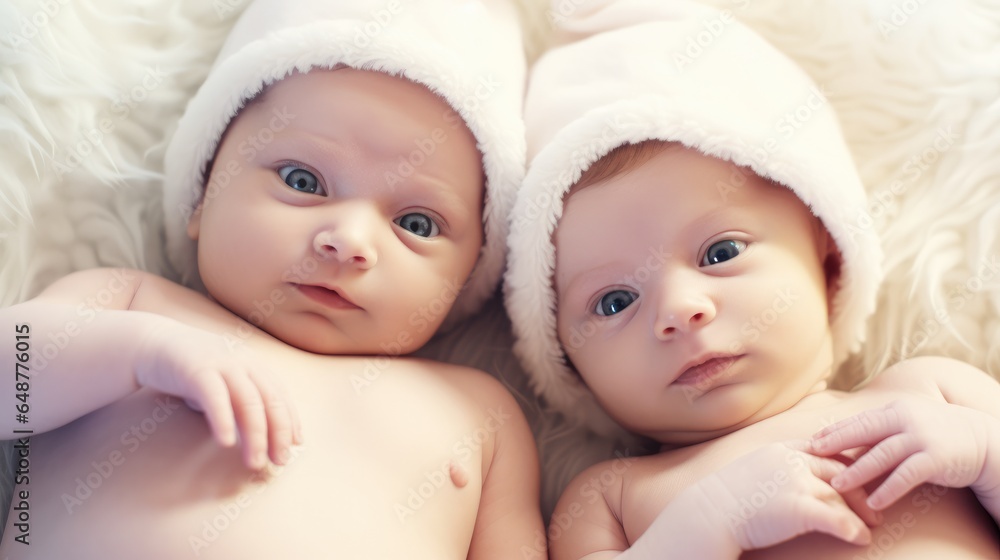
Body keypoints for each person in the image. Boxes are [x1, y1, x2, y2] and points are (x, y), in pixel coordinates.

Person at [0, 0, 544, 558]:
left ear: (470, 274)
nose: (350, 241)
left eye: (416, 223)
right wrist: (140, 353)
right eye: (303, 180)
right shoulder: (132, 302)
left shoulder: (484, 414)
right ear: (205, 192)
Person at [503, 1, 1000, 558]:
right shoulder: (611, 498)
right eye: (615, 301)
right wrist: (708, 522)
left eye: (720, 252)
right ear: (565, 355)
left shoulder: (929, 393)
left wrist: (984, 453)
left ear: (828, 254)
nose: (680, 309)